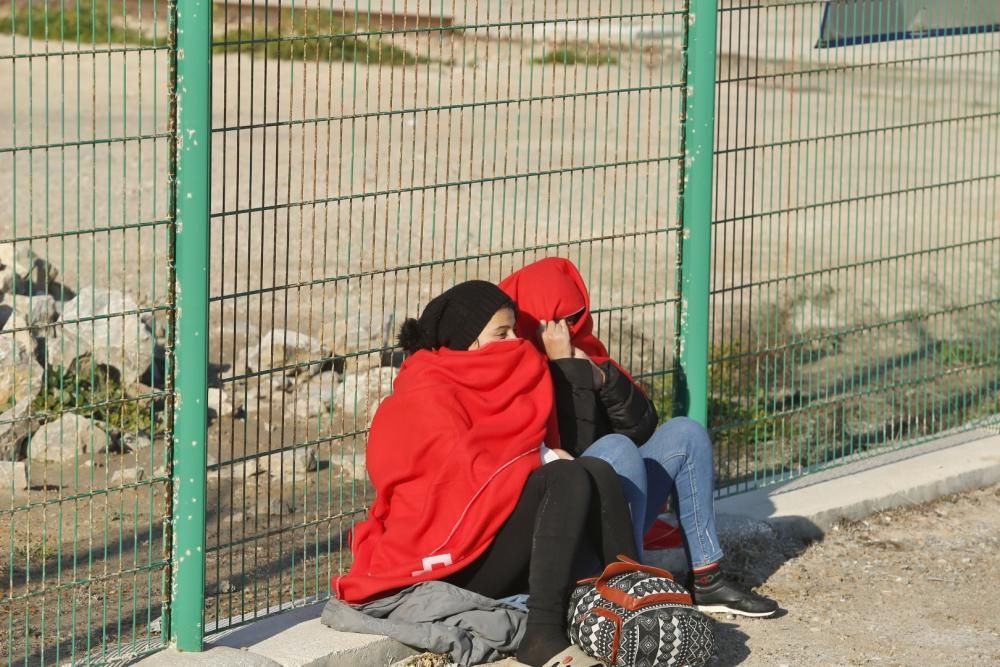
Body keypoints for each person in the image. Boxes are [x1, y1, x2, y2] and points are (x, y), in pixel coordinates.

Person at [333, 280, 636, 667]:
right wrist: (541, 457)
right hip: (453, 559)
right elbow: (456, 471)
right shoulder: (424, 393)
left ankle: (635, 606)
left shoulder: (502, 384)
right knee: (567, 476)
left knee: (595, 470)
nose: (516, 342)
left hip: (492, 538)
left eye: (515, 330)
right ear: (467, 341)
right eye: (501, 333)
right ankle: (542, 637)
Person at [500, 257, 779, 618]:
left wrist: (602, 381)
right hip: (564, 522)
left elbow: (643, 427)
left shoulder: (587, 350)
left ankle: (708, 579)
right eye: (552, 323)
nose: (565, 331)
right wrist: (565, 371)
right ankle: (632, 587)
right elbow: (573, 454)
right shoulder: (515, 366)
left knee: (685, 433)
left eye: (572, 319)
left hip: (618, 507)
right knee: (615, 448)